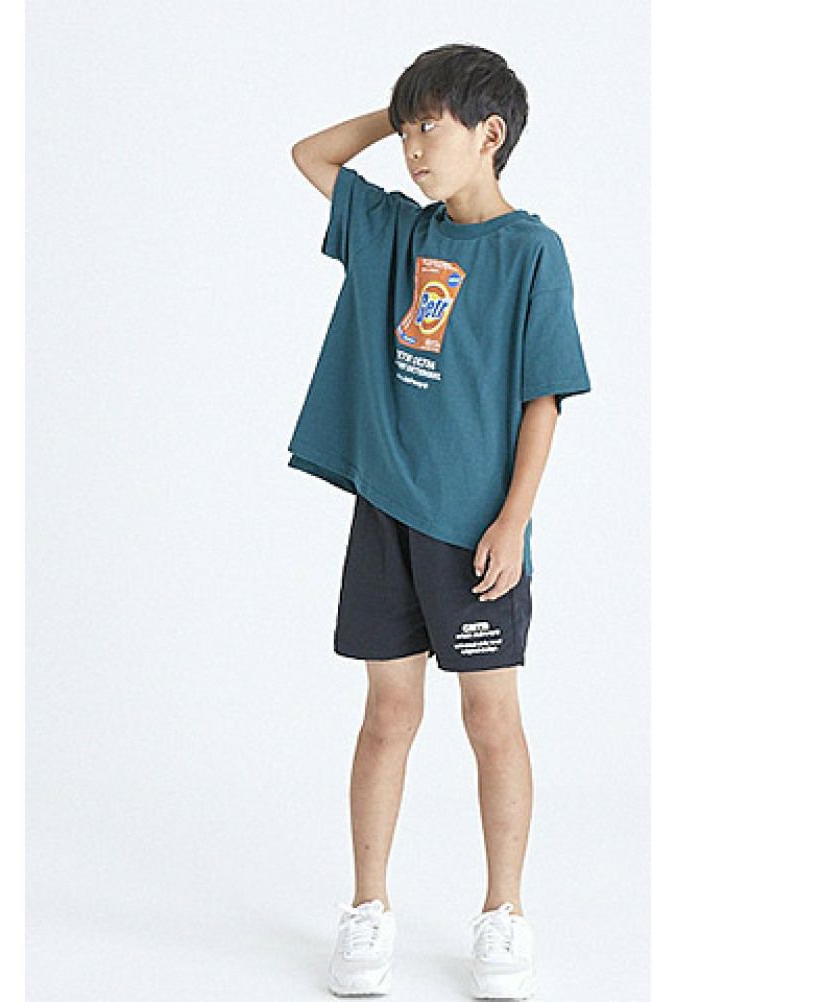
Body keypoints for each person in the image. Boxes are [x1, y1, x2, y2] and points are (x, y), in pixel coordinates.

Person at [287, 43, 591, 1000]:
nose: (414, 148)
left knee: (490, 718)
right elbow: (310, 155)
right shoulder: (393, 232)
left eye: (432, 127)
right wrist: (395, 111)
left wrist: (513, 520)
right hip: (387, 514)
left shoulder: (531, 251)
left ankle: (504, 912)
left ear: (490, 135)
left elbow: (544, 396)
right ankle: (367, 906)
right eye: (407, 129)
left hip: (475, 531)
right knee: (387, 716)